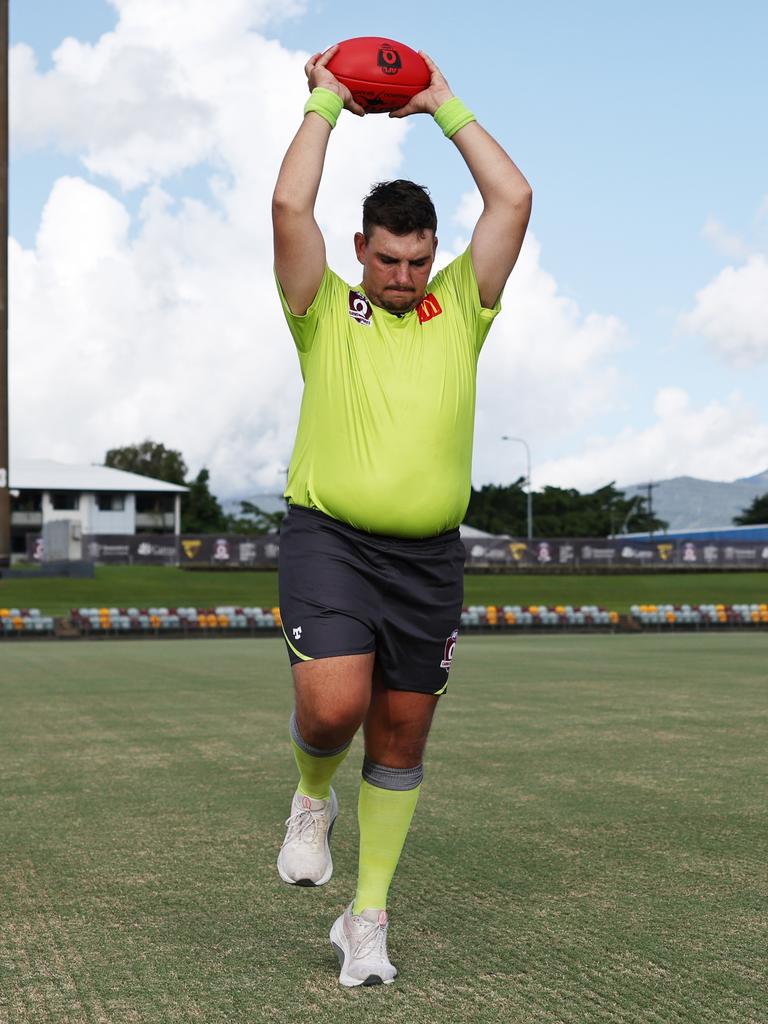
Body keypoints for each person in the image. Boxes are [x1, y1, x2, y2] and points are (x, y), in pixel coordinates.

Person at [272, 44, 531, 987]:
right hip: (330, 539)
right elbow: (288, 207)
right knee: (334, 706)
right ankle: (310, 800)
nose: (405, 275)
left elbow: (513, 201)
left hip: (429, 560)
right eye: (389, 259)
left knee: (401, 740)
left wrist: (443, 102)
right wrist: (328, 103)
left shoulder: (460, 305)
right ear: (361, 251)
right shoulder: (321, 308)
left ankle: (366, 917)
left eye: (420, 260)